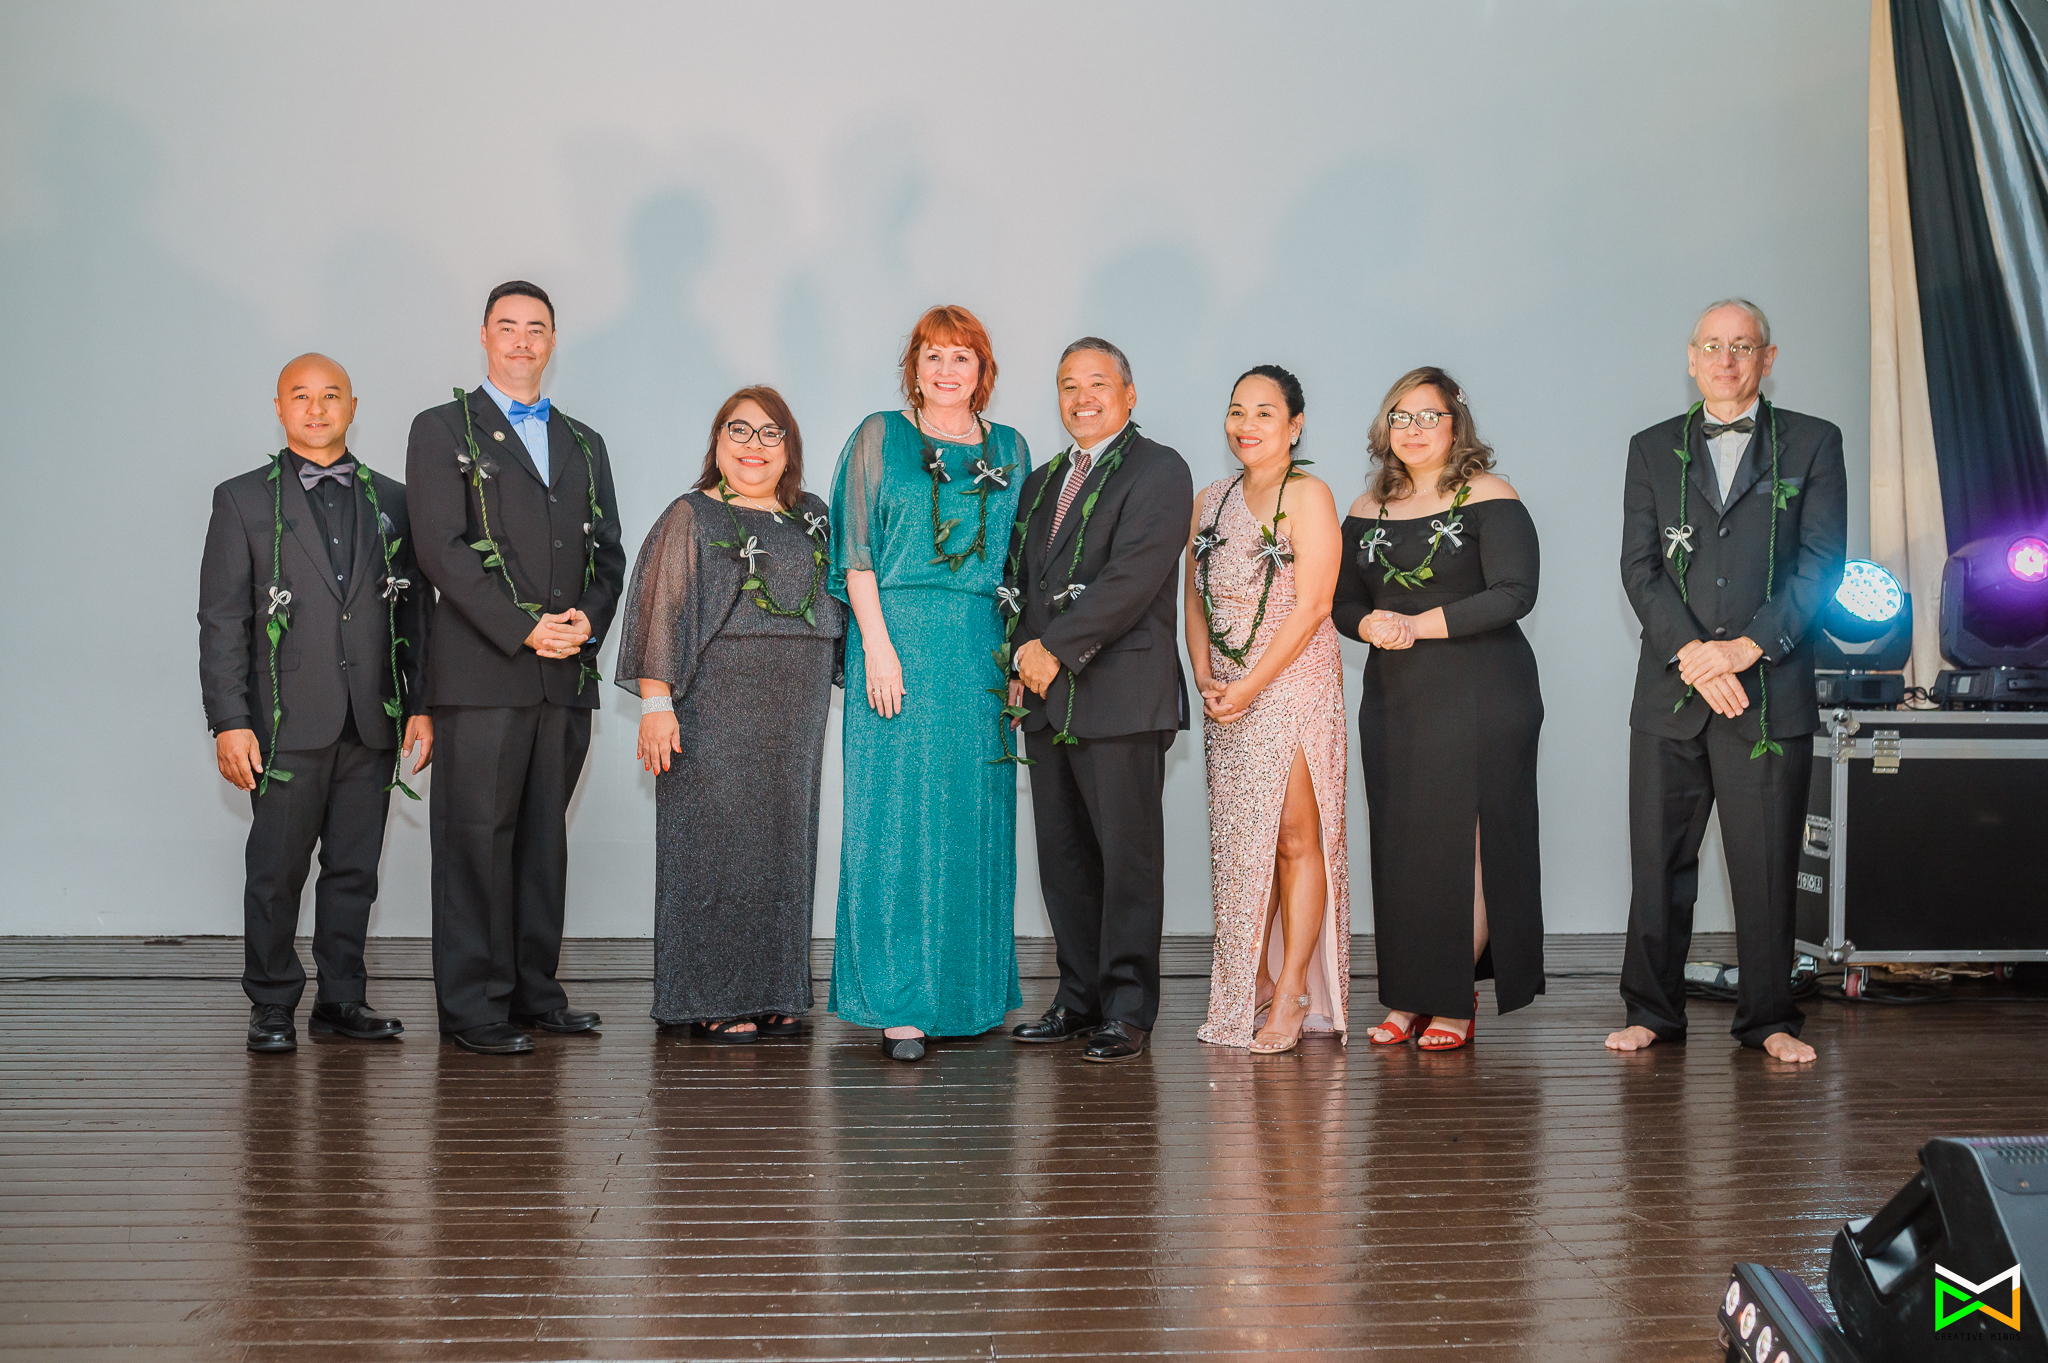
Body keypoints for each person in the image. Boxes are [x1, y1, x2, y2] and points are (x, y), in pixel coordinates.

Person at [1608, 300, 1845, 1064]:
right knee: (1657, 864)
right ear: (1691, 358)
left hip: (1769, 693)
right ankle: (1651, 1011)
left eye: (1742, 345)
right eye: (1712, 345)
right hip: (1671, 694)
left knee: (1767, 866)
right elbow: (1639, 568)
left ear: (1767, 358)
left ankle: (1769, 1019)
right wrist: (1695, 655)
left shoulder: (1814, 441)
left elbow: (1823, 566)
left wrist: (1744, 649)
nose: (1726, 359)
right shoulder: (1651, 447)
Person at [405, 281, 627, 1056]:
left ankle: (536, 993)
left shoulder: (584, 441)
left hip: (563, 676)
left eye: (537, 328)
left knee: (541, 841)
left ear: (552, 341)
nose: (523, 341)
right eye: (508, 326)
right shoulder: (441, 429)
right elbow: (441, 550)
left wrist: (587, 621)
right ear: (484, 335)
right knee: (474, 842)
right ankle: (472, 1007)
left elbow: (608, 552)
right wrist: (524, 629)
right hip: (483, 674)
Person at [199, 353, 431, 1052]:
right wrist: (229, 721)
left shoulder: (396, 500)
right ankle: (271, 1003)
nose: (317, 408)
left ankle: (341, 999)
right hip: (284, 719)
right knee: (276, 870)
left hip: (371, 715)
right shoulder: (241, 499)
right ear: (279, 407)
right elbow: (222, 619)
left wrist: (420, 704)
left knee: (355, 868)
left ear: (353, 406)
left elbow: (415, 613)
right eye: (301, 396)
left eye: (331, 395)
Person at [827, 305, 1029, 1063]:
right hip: (897, 641)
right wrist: (877, 649)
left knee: (974, 816)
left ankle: (968, 995)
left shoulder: (1011, 447)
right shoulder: (879, 436)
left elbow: (1021, 567)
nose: (947, 370)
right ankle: (899, 1001)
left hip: (980, 652)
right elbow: (855, 552)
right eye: (933, 356)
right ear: (913, 367)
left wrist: (1015, 661)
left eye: (962, 357)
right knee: (897, 818)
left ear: (983, 372)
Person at [614, 387, 844, 1042]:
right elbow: (660, 611)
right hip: (714, 702)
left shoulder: (814, 516)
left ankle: (776, 989)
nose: (754, 445)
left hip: (796, 709)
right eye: (738, 430)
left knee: (784, 848)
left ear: (789, 448)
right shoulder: (691, 515)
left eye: (770, 433)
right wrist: (657, 704)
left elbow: (843, 595)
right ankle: (712, 994)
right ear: (717, 442)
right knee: (715, 847)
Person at [1331, 367, 1544, 1051]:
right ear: (1385, 427)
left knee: (1468, 848)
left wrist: (1414, 626)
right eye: (1402, 416)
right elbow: (1343, 604)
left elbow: (1514, 592)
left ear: (1456, 425)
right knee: (1404, 849)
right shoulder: (1366, 507)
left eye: (1430, 416)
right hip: (1396, 697)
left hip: (1484, 692)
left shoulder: (1490, 495)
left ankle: (1452, 1000)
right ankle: (1407, 995)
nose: (1414, 428)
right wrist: (1368, 624)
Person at [1005, 338, 1194, 1064]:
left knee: (1127, 861)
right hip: (1045, 699)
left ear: (1129, 393)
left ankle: (1126, 1008)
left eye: (1097, 383)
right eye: (1068, 385)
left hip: (1121, 695)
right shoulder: (1042, 482)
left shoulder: (1160, 469)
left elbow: (1133, 577)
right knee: (1064, 859)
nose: (1082, 398)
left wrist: (1054, 648)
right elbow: (1021, 581)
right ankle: (1077, 998)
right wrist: (1020, 654)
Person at [1187, 366, 1350, 1054]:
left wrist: (1251, 685)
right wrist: (1205, 673)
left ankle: (1293, 991)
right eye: (1236, 410)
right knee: (1240, 841)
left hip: (1292, 684)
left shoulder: (1309, 494)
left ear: (1295, 425)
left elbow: (1315, 606)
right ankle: (1248, 981)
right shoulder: (1210, 498)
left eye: (1263, 412)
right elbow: (1193, 596)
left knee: (1292, 838)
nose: (1246, 424)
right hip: (1226, 690)